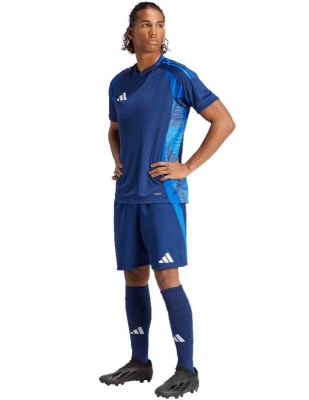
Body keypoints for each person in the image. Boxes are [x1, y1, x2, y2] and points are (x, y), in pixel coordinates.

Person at [99, 2, 235, 398]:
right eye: (145, 24)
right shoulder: (118, 83)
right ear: (131, 32)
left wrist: (187, 166)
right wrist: (118, 159)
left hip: (164, 197)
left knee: (167, 278)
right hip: (127, 197)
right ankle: (139, 362)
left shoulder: (178, 76)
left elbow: (224, 121)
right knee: (133, 277)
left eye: (159, 24)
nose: (154, 31)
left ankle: (186, 369)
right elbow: (114, 129)